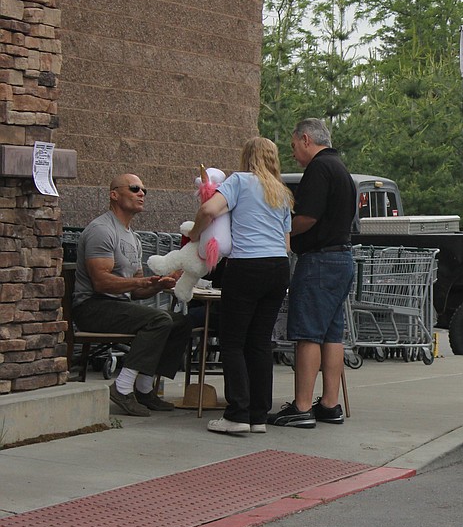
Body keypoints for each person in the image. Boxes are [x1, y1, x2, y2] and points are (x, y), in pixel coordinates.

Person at [188, 138, 293, 435]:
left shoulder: (239, 181)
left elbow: (209, 209)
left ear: (246, 156)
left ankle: (237, 414)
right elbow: (286, 244)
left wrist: (196, 235)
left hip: (246, 266)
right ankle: (258, 415)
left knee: (233, 341)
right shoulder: (282, 192)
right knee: (259, 342)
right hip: (278, 268)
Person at [72, 174, 192, 416]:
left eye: (144, 190)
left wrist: (158, 285)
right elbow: (101, 282)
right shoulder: (101, 230)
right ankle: (123, 388)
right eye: (135, 188)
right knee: (159, 320)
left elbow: (136, 292)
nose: (142, 194)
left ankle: (144, 388)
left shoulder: (132, 238)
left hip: (117, 305)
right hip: (92, 307)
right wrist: (140, 280)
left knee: (181, 321)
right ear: (114, 194)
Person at [268, 117, 357, 428]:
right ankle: (330, 403)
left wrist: (280, 229)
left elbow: (307, 216)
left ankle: (302, 406)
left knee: (307, 334)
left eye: (293, 146)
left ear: (306, 139)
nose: (293, 153)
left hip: (319, 260)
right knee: (332, 334)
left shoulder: (319, 168)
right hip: (342, 257)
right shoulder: (341, 169)